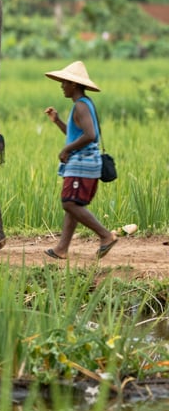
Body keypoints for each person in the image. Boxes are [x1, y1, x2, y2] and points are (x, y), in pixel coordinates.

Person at [43, 61, 117, 261]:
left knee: (69, 203)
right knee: (73, 203)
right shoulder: (84, 104)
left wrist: (66, 149)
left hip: (83, 163)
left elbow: (90, 135)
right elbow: (76, 135)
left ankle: (105, 235)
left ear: (74, 84)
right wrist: (57, 121)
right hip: (84, 162)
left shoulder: (81, 106)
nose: (62, 86)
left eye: (64, 82)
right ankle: (61, 249)